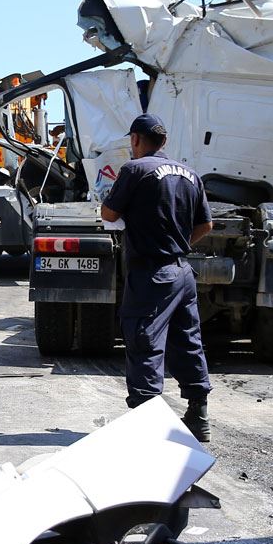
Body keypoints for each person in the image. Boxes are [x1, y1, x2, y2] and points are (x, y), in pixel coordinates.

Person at [99, 114, 214, 442]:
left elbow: (109, 214)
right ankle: (198, 415)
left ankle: (146, 423)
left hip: (151, 274)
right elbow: (206, 225)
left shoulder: (135, 169)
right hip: (182, 273)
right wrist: (178, 245)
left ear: (136, 139)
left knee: (144, 340)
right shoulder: (190, 174)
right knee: (188, 340)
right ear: (164, 142)